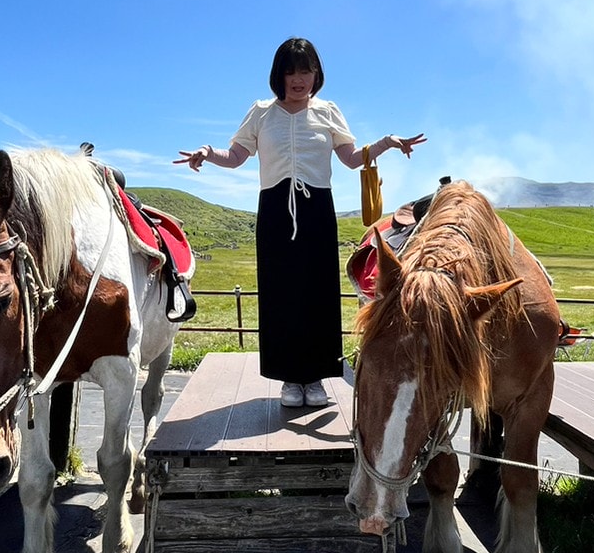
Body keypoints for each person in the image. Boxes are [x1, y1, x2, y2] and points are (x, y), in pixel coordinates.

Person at [176, 37, 425, 408]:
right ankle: (290, 379)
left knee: (318, 293)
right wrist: (208, 153)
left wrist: (387, 142)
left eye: (305, 69)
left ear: (316, 73)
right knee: (280, 294)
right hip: (276, 210)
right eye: (290, 70)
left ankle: (317, 377)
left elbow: (352, 158)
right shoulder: (261, 112)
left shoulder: (328, 111)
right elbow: (237, 156)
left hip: (317, 209)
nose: (298, 78)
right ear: (279, 74)